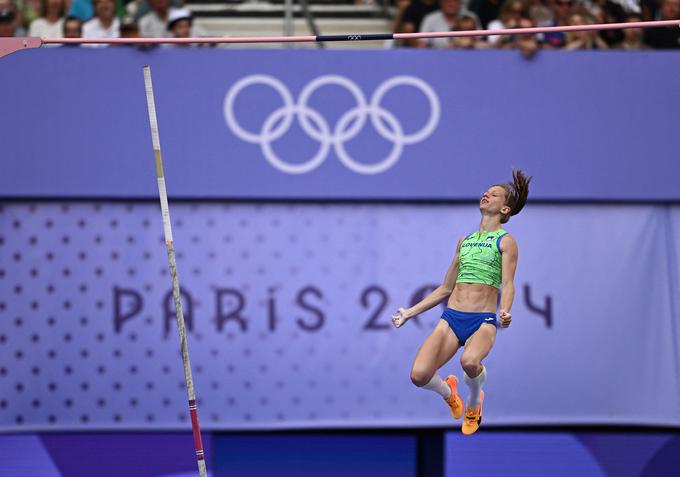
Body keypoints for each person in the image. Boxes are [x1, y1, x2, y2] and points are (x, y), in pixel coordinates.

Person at [392, 170, 531, 435]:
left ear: (504, 209)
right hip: (452, 319)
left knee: (469, 362)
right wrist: (410, 312)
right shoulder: (464, 242)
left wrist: (506, 311)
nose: (486, 194)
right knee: (419, 376)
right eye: (485, 191)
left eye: (494, 193)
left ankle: (474, 401)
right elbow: (446, 288)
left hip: (482, 321)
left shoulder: (506, 241)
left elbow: (509, 283)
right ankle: (449, 394)